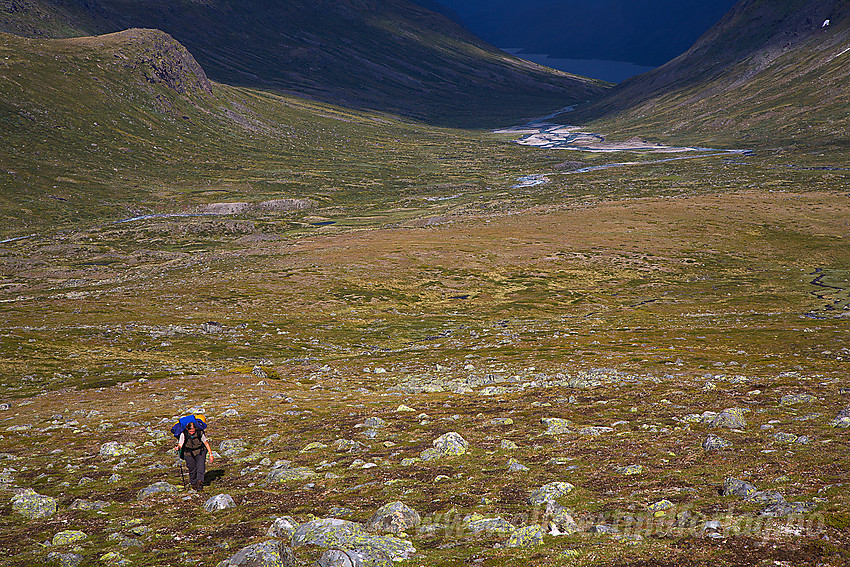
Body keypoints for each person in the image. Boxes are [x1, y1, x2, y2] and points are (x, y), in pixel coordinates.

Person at [174, 421, 213, 490]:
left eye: (193, 431)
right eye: (190, 431)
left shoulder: (199, 433)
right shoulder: (184, 434)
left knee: (201, 467)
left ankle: (200, 482)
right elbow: (180, 443)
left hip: (200, 452)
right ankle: (194, 483)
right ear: (187, 429)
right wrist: (178, 447)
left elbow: (206, 443)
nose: (192, 433)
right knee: (192, 469)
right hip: (188, 453)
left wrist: (210, 454)